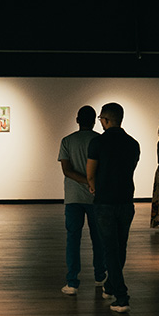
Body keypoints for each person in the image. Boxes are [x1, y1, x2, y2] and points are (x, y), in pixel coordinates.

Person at [86, 102, 140, 313]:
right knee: (120, 246)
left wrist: (93, 187)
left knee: (110, 249)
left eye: (101, 120)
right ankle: (110, 286)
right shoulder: (133, 144)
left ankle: (122, 296)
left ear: (106, 120)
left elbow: (91, 173)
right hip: (126, 200)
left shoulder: (97, 143)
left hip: (105, 202)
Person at [58, 106, 105, 294]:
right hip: (97, 196)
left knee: (73, 239)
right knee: (99, 238)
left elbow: (67, 171)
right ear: (94, 120)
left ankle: (72, 282)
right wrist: (92, 182)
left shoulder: (67, 141)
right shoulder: (100, 140)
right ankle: (100, 276)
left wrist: (85, 181)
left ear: (77, 120)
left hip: (73, 197)